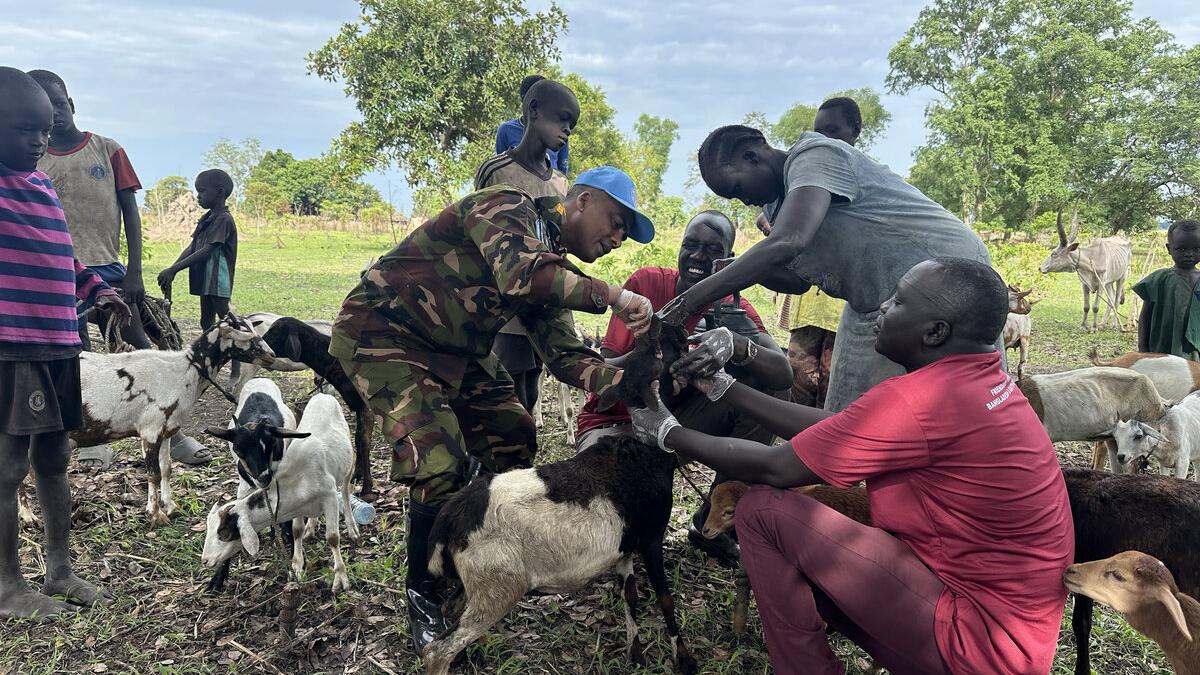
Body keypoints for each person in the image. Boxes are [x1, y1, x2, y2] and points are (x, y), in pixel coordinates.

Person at [633, 257, 1074, 675]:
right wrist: (721, 386)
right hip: (1013, 641)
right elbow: (839, 429)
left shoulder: (920, 402)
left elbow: (776, 468)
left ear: (936, 331)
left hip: (974, 641)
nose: (882, 307)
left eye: (899, 301)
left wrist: (668, 432)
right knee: (807, 562)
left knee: (763, 511)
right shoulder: (982, 381)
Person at [328, 166, 655, 649]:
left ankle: (476, 543)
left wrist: (638, 383)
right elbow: (523, 274)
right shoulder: (507, 206)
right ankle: (425, 589)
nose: (619, 238)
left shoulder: (552, 268)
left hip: (457, 353)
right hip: (384, 337)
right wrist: (613, 295)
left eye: (626, 233)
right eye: (616, 221)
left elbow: (566, 359)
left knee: (514, 435)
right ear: (582, 201)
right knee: (437, 464)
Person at [664, 123, 993, 412]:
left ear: (753, 155)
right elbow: (798, 281)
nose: (743, 201)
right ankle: (839, 480)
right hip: (872, 303)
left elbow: (789, 241)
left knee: (957, 400)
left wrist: (688, 301)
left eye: (737, 189)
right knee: (843, 413)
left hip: (947, 280)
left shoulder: (815, 155)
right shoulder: (778, 207)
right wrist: (746, 269)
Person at [575, 210, 790, 563]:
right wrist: (656, 353)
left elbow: (783, 376)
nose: (697, 257)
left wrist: (735, 342)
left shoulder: (732, 308)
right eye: (690, 246)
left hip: (681, 426)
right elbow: (601, 372)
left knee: (767, 389)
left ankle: (712, 524)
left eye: (711, 249)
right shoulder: (647, 285)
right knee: (602, 525)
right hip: (619, 423)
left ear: (729, 261)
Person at [0, 67, 131, 618]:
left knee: (54, 457)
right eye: (24, 130)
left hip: (60, 342)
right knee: (7, 467)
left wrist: (95, 288)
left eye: (44, 129)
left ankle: (59, 570)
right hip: (14, 346)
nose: (38, 141)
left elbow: (63, 254)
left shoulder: (41, 185)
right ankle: (8, 587)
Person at [28, 69, 209, 466]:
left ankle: (172, 433)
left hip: (110, 270)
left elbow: (130, 211)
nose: (55, 115)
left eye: (59, 105)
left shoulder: (108, 150)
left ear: (71, 104)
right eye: (45, 108)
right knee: (78, 361)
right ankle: (92, 439)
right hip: (60, 276)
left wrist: (134, 271)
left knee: (141, 347)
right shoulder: (32, 158)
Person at [475, 79, 575, 412]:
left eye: (571, 124)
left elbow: (560, 243)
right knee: (510, 390)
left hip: (548, 303)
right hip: (509, 304)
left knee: (532, 386)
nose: (567, 130)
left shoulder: (561, 183)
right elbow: (482, 235)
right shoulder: (496, 172)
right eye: (562, 119)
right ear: (533, 111)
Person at [157, 170, 238, 331]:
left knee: (227, 318)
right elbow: (193, 247)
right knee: (206, 321)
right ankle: (210, 353)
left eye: (201, 191)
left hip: (218, 279)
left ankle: (246, 348)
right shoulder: (207, 218)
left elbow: (207, 250)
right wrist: (172, 269)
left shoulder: (223, 219)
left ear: (219, 192)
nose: (198, 196)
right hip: (206, 278)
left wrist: (174, 269)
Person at [1133, 219, 1200, 359]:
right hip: (1163, 348)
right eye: (1181, 249)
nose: (1189, 254)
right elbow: (1145, 317)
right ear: (1169, 249)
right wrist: (1143, 350)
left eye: (1196, 248)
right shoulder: (1158, 280)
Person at [494, 74, 569, 174]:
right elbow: (501, 169)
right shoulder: (506, 130)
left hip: (549, 188)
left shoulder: (560, 133)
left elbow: (562, 172)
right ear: (526, 100)